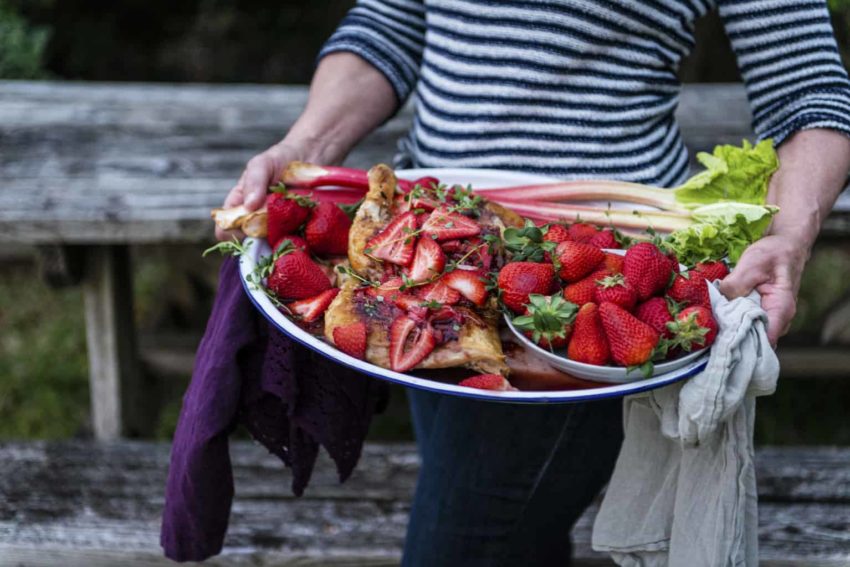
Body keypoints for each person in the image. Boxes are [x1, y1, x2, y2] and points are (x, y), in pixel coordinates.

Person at [216, 1, 850, 564]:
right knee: (516, 533)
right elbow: (392, 22)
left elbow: (808, 89)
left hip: (584, 295)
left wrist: (789, 237)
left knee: (463, 542)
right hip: (421, 260)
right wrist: (302, 153)